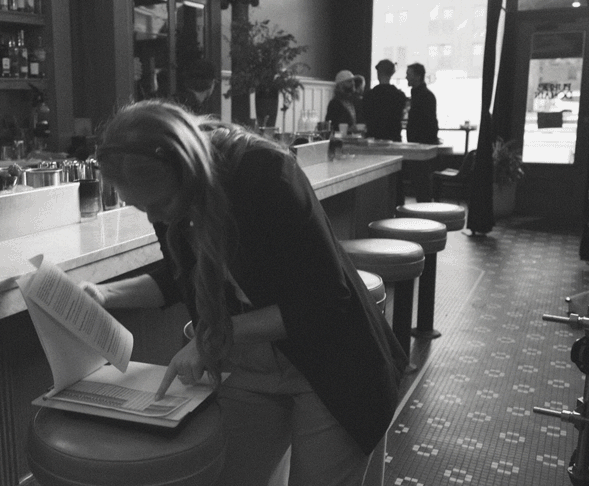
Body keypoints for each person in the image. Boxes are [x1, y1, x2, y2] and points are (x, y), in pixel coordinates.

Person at [82, 100, 407, 485]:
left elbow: (323, 300)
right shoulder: (168, 194)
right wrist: (104, 294)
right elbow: (181, 274)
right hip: (249, 361)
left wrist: (211, 337)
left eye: (159, 204)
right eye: (141, 208)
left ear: (187, 167)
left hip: (331, 361)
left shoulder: (264, 173)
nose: (155, 217)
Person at [361, 59, 407, 141]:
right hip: (394, 138)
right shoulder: (400, 96)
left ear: (378, 73)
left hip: (373, 138)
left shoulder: (369, 95)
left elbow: (365, 116)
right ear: (392, 73)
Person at [404, 63, 440, 145]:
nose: (406, 77)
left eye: (409, 74)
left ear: (418, 77)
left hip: (421, 143)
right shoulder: (426, 95)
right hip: (423, 142)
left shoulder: (423, 97)